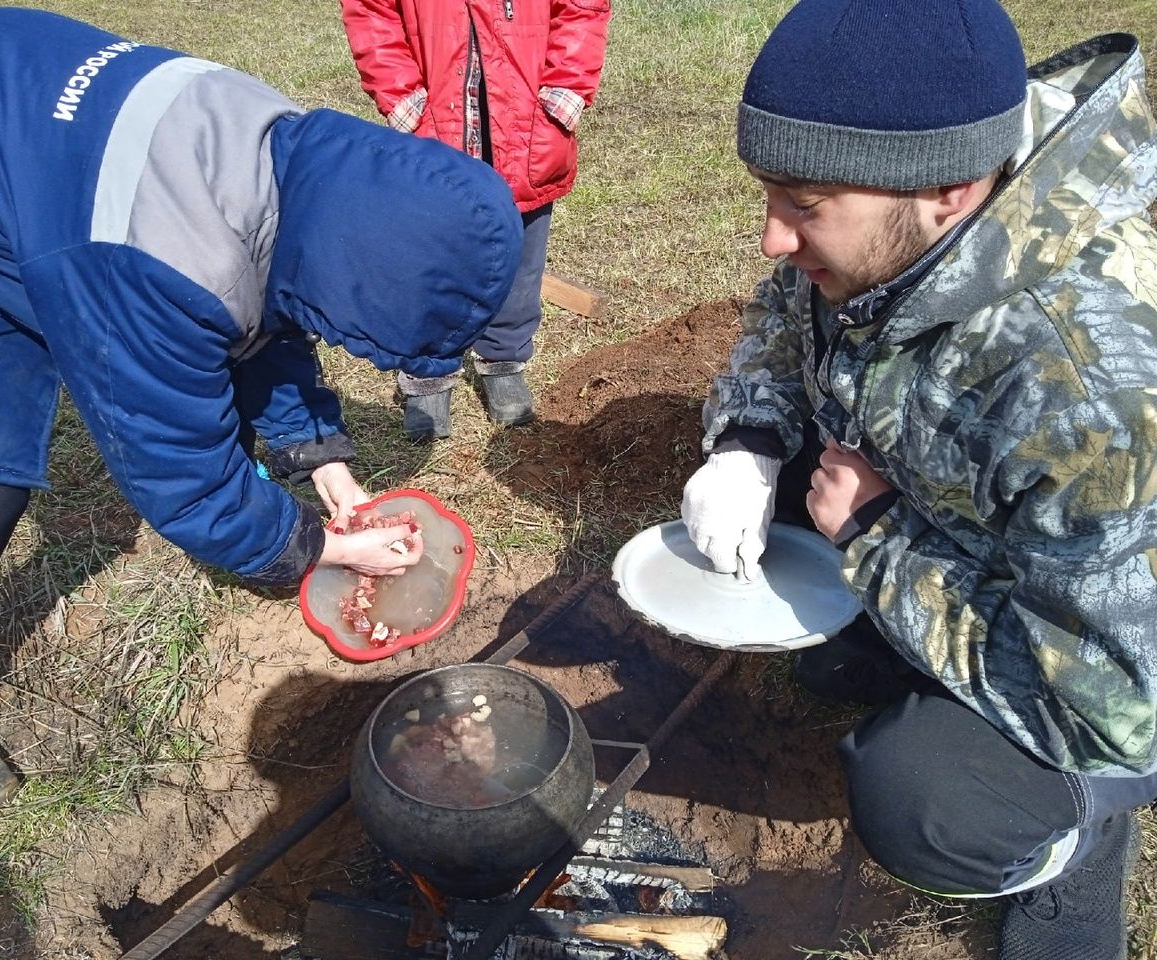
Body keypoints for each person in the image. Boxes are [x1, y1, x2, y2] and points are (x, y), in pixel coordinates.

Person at [0, 7, 522, 814]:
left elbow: (273, 289)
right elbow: (178, 476)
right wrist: (313, 547)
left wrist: (318, 454)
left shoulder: (298, 161)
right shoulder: (145, 261)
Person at [680, 1, 1157, 957]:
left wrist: (879, 540)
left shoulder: (1086, 392)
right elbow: (786, 311)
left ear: (951, 187)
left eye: (805, 205)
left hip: (1106, 665)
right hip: (931, 519)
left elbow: (1115, 707)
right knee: (788, 593)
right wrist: (748, 440)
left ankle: (1081, 842)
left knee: (925, 797)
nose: (775, 237)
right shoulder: (890, 225)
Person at [340, 0, 611, 440]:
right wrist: (402, 96)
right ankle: (427, 370)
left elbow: (582, 8)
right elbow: (371, 11)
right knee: (428, 252)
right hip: (435, 115)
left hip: (527, 120)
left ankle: (504, 356)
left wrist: (564, 93)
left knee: (521, 253)